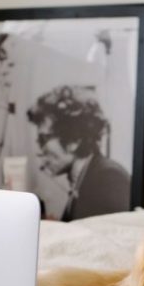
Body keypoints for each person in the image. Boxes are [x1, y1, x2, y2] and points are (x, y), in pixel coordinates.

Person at [26, 85, 131, 221]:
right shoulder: (85, 179)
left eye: (43, 139)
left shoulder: (108, 178)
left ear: (74, 141)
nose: (38, 150)